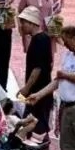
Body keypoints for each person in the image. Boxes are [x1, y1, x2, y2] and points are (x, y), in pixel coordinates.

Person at [16, 8, 55, 142]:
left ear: (32, 23)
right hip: (42, 91)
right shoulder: (44, 38)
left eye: (24, 22)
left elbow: (37, 68)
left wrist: (26, 88)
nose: (21, 25)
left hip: (37, 93)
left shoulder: (38, 41)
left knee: (34, 127)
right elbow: (49, 64)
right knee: (38, 128)